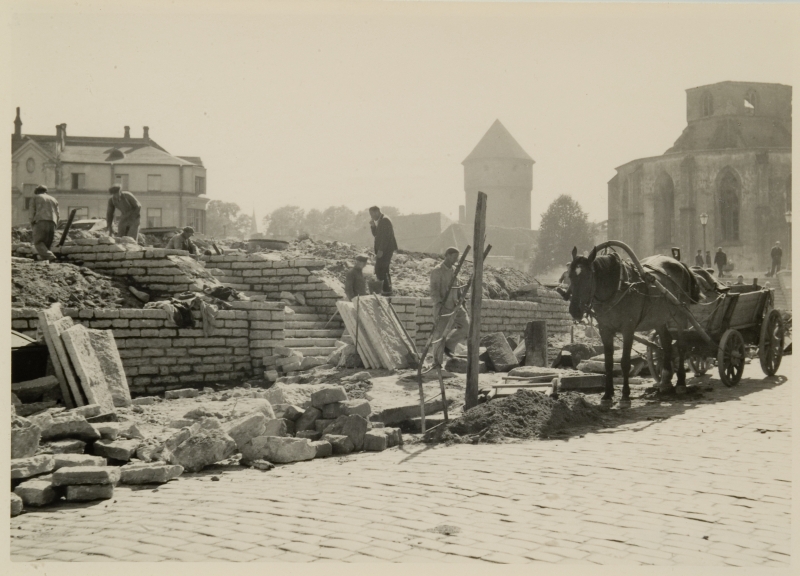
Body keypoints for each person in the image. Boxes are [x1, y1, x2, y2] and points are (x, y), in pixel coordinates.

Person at [429, 247, 470, 364]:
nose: (455, 260)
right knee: (439, 334)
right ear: (447, 255)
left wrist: (463, 302)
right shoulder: (437, 271)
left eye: (457, 257)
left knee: (466, 326)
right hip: (443, 306)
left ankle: (449, 345)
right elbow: (434, 290)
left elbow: (457, 288)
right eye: (454, 257)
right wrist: (439, 303)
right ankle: (437, 362)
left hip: (456, 305)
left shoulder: (454, 270)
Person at [369, 206, 397, 297]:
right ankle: (387, 290)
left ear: (376, 212)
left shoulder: (385, 220)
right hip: (384, 250)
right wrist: (373, 226)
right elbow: (377, 235)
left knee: (380, 269)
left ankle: (386, 291)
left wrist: (381, 251)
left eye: (372, 214)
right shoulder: (381, 220)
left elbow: (386, 238)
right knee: (383, 270)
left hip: (385, 250)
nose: (371, 217)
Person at [29, 185, 59, 261]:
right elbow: (58, 214)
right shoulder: (53, 199)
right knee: (47, 244)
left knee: (38, 242)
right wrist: (55, 224)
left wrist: (32, 223)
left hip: (40, 221)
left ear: (37, 191)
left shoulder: (35, 197)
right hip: (52, 222)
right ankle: (46, 262)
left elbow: (31, 212)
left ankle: (50, 256)